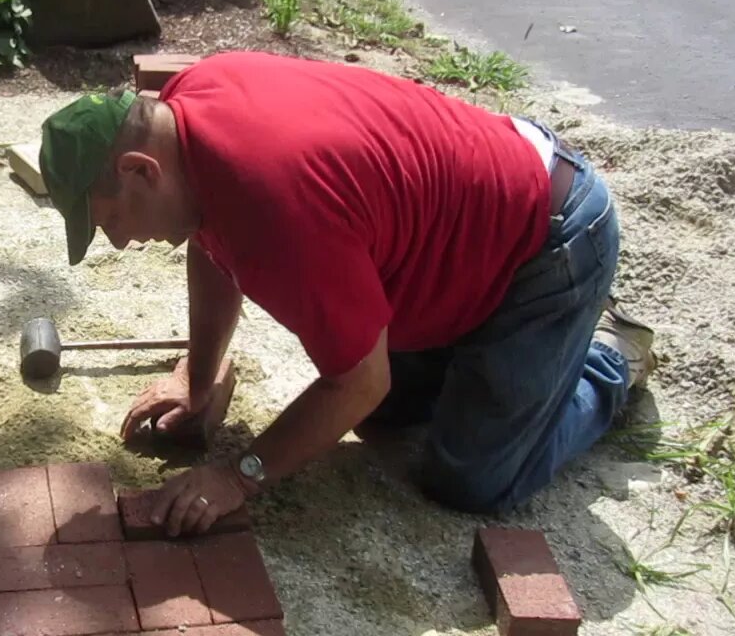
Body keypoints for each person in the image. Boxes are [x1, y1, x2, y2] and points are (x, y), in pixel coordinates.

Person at [36, 51, 657, 536]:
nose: (116, 243)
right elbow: (211, 245)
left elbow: (359, 381)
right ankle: (503, 356)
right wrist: (198, 382)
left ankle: (609, 359)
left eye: (107, 220)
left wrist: (239, 475)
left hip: (547, 241)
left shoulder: (275, 202)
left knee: (468, 479)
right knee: (384, 419)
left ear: (141, 170)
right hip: (461, 232)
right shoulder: (188, 112)